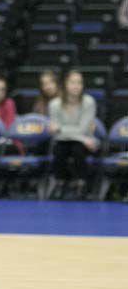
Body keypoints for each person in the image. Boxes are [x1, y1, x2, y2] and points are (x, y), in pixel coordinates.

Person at [48, 70, 98, 199]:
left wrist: (60, 129)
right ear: (65, 84)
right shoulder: (54, 104)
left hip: (84, 142)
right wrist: (61, 131)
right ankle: (60, 183)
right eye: (72, 82)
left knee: (77, 148)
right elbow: (55, 134)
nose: (76, 86)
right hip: (71, 141)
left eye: (79, 83)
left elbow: (83, 129)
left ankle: (82, 184)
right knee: (59, 148)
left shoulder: (89, 102)